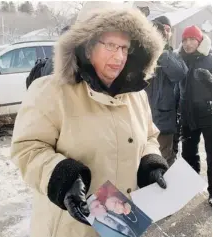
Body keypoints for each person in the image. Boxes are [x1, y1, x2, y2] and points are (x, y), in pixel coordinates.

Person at [10, 7, 169, 237]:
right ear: (87, 46)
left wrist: (150, 163)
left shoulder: (137, 96)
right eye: (111, 46)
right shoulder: (50, 92)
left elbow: (149, 137)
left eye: (124, 48)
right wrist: (61, 178)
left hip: (122, 227)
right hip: (70, 229)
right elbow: (27, 148)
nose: (119, 57)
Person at [175, 25, 212, 206]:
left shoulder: (209, 59)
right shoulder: (179, 60)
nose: (188, 43)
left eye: (192, 39)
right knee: (189, 153)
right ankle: (190, 187)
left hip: (208, 114)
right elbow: (175, 89)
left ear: (199, 41)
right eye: (185, 40)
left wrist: (210, 81)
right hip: (188, 115)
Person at [145, 16, 188, 166]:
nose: (165, 33)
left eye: (167, 30)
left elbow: (180, 73)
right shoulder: (141, 53)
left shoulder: (172, 55)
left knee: (162, 165)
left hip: (163, 123)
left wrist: (160, 49)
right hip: (141, 122)